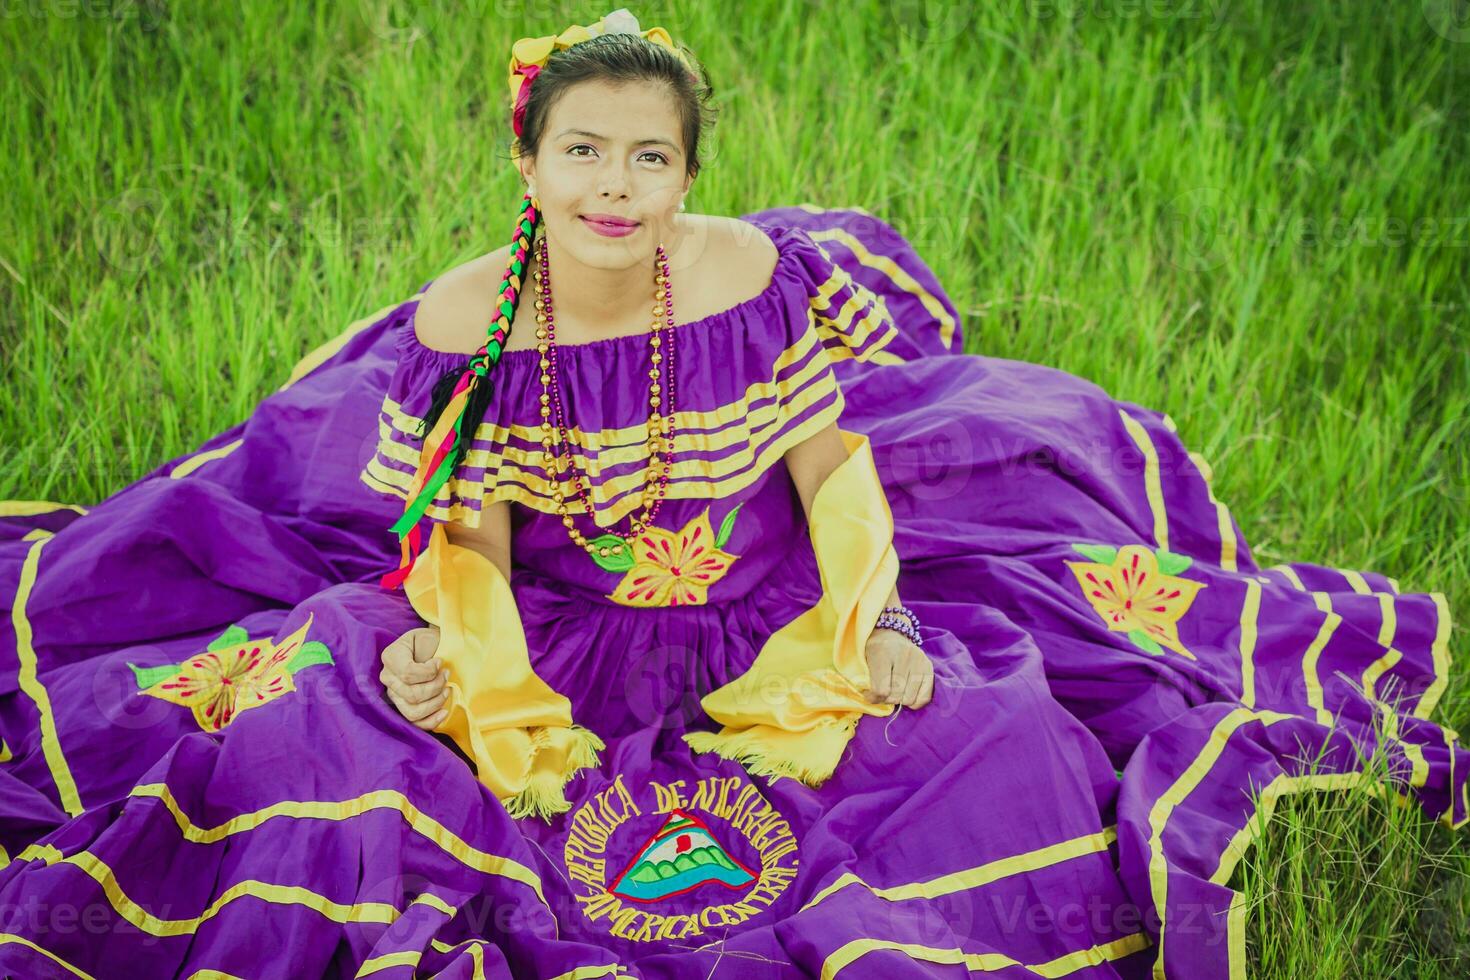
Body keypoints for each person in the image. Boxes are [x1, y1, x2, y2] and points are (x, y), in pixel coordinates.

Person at [0, 8, 1462, 979]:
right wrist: (482, 674)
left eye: (649, 157)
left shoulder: (750, 280)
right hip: (562, 608)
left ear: (689, 172)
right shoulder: (465, 323)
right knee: (322, 743)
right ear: (527, 161)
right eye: (582, 153)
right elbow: (467, 524)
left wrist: (862, 623)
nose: (613, 186)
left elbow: (828, 459)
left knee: (993, 741)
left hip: (770, 590)